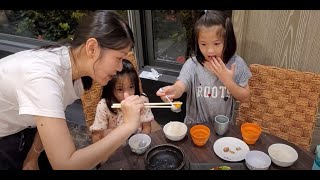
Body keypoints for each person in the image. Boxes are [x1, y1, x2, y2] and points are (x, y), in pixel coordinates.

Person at [0, 10, 146, 170]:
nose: (120, 68)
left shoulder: (75, 71)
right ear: (92, 48)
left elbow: (46, 117)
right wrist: (128, 125)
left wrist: (33, 154)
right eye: (119, 58)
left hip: (27, 125)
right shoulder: (42, 79)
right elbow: (65, 165)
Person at [156, 10, 252, 125]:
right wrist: (172, 91)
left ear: (227, 41)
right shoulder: (192, 64)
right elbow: (180, 86)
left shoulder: (236, 63)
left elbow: (245, 98)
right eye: (203, 44)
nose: (210, 50)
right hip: (195, 128)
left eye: (216, 43)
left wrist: (227, 80)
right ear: (197, 43)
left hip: (223, 128)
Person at [89, 59, 154, 143]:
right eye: (120, 89)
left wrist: (139, 142)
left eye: (131, 87)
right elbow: (97, 136)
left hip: (137, 142)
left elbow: (147, 127)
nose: (127, 95)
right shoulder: (104, 106)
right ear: (110, 89)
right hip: (114, 145)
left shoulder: (142, 101)